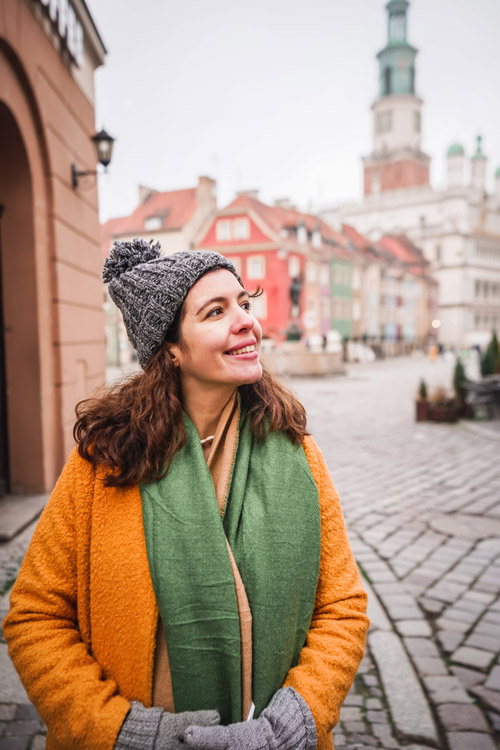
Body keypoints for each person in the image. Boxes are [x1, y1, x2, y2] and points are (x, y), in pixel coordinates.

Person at [4, 239, 369, 750]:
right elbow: (36, 616)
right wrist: (118, 730)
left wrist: (291, 725)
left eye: (244, 302)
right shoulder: (107, 461)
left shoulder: (295, 452)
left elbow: (343, 608)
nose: (246, 320)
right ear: (171, 348)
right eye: (215, 311)